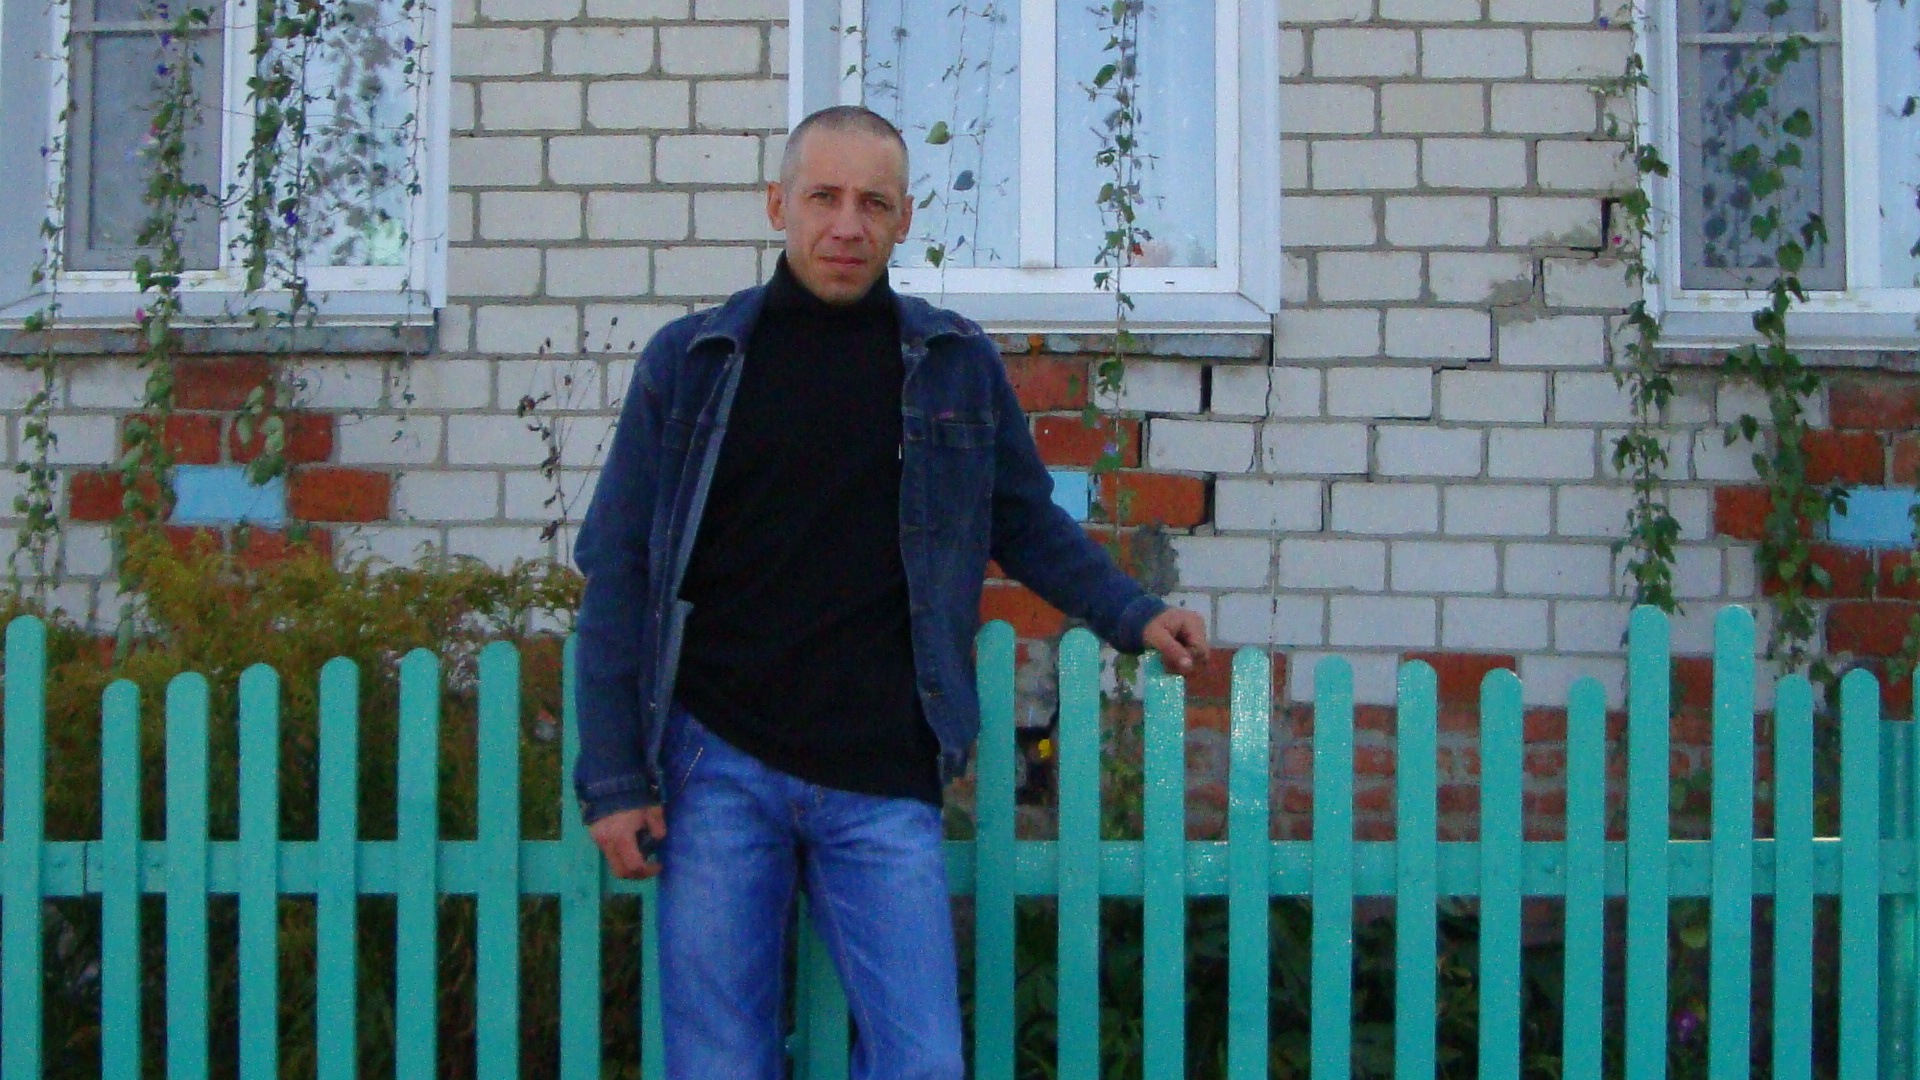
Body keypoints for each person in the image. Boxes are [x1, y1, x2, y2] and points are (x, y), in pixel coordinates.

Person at [570, 104, 1210, 1080]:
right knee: (718, 1062)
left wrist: (1135, 612)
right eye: (822, 197)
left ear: (904, 218)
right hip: (718, 764)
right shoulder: (692, 364)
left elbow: (1023, 519)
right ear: (777, 204)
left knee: (923, 1061)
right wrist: (616, 779)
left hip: (882, 774)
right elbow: (620, 568)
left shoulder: (955, 364)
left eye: (873, 203)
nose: (846, 225)